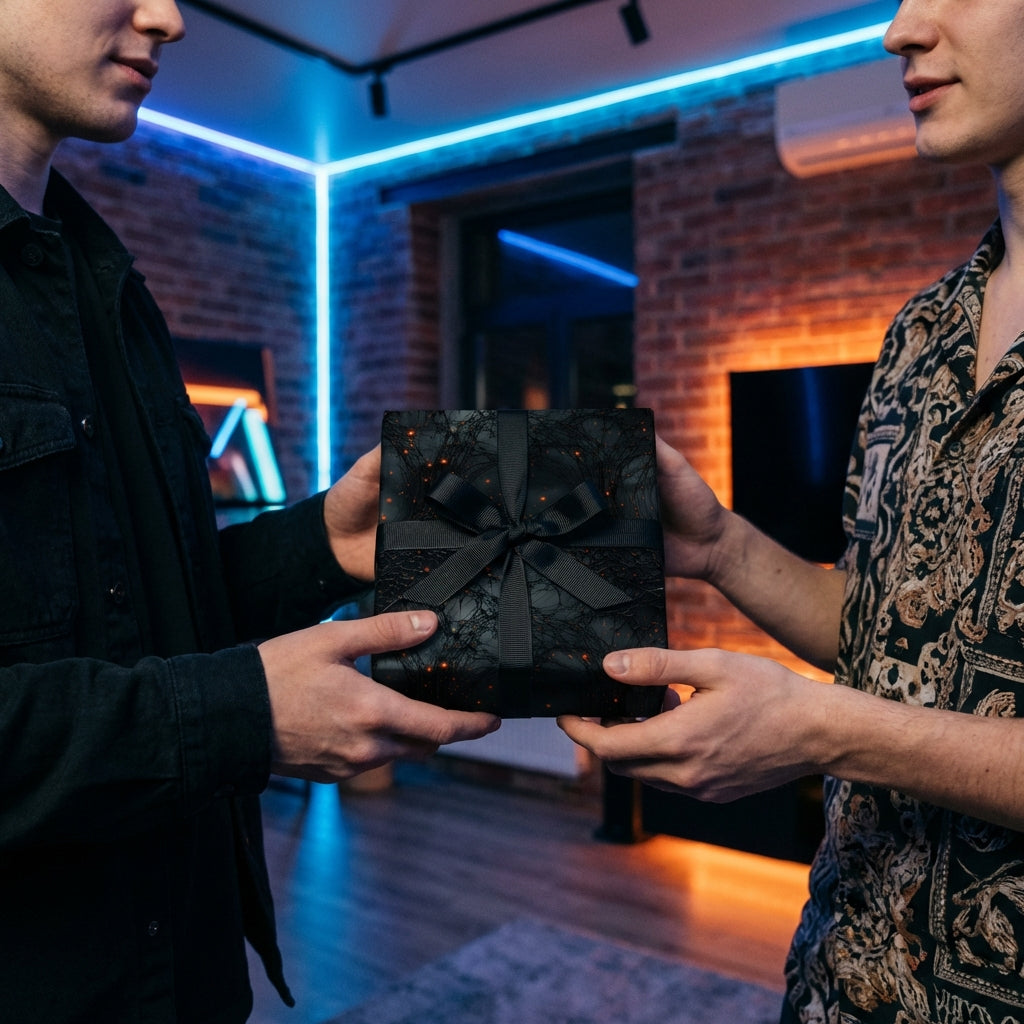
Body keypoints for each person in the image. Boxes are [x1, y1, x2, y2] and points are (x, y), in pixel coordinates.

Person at [0, 2, 499, 1022]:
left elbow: (133, 617)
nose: (169, 17)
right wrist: (236, 714)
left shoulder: (102, 281)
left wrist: (320, 542)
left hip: (180, 971)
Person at [559, 1, 1024, 1021]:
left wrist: (824, 730)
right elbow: (883, 627)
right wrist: (720, 545)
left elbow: (852, 711)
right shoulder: (919, 331)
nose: (898, 27)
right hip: (840, 982)